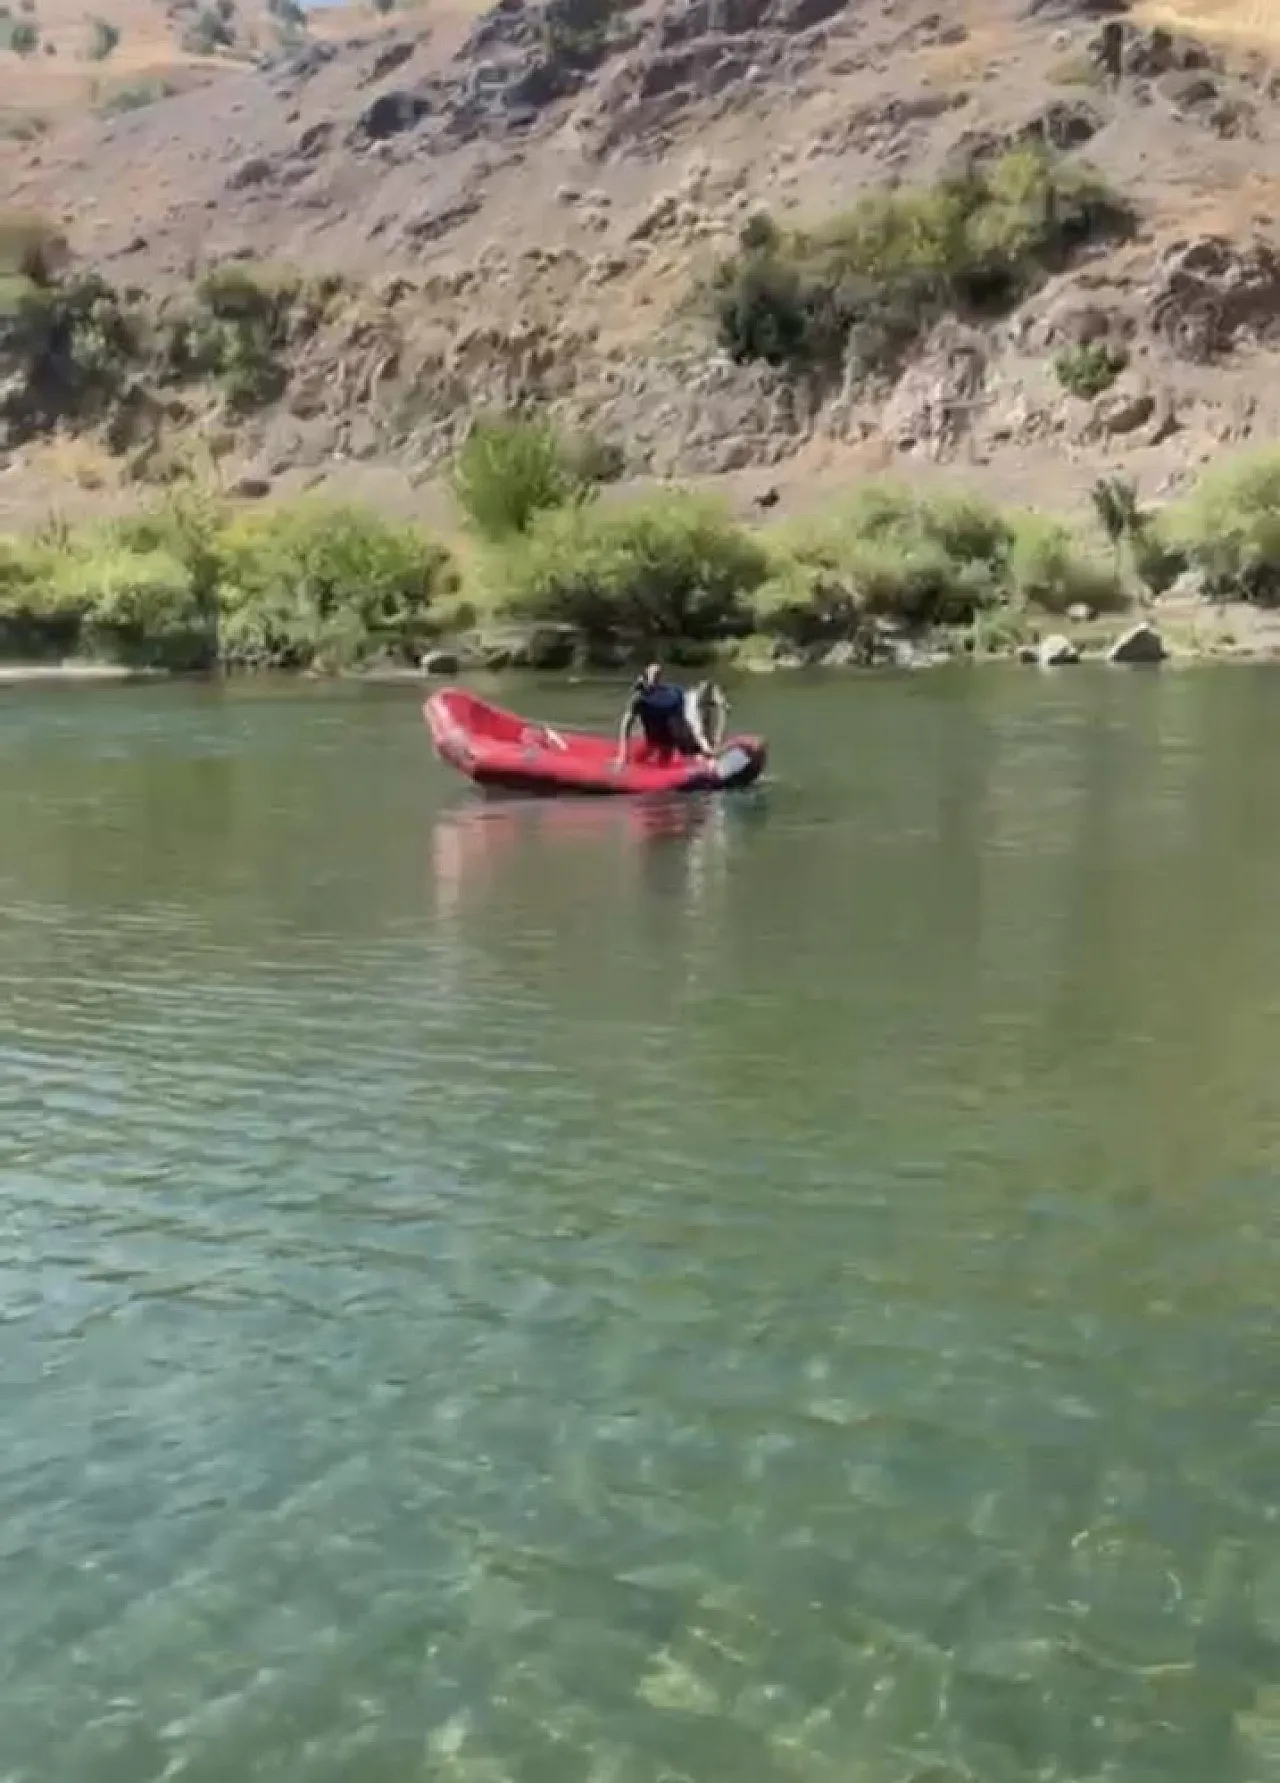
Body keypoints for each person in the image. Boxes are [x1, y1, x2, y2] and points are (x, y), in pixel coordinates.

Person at [615, 662, 726, 768]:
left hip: (669, 740)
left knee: (664, 758)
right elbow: (626, 725)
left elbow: (693, 714)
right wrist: (622, 755)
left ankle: (702, 760)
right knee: (641, 757)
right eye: (653, 674)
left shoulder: (674, 692)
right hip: (654, 738)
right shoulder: (639, 699)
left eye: (657, 674)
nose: (655, 677)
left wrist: (704, 745)